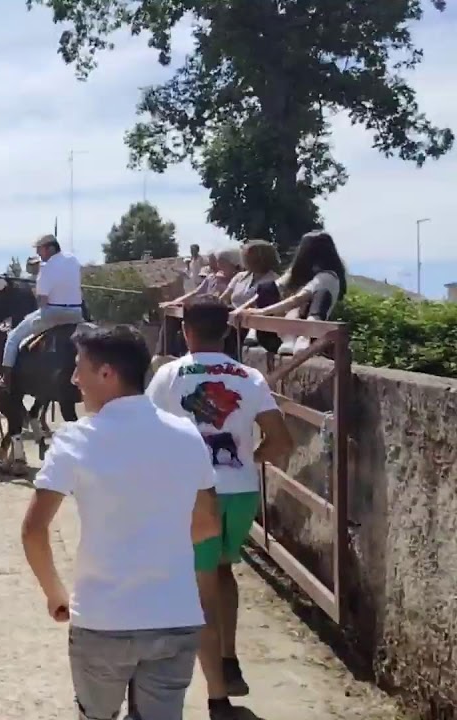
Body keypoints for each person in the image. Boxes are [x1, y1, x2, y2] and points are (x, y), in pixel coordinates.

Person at [22, 324, 221, 720]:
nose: (74, 378)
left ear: (107, 374)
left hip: (103, 619)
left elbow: (34, 530)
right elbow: (208, 524)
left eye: (80, 368)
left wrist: (56, 593)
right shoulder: (186, 434)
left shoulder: (75, 439)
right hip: (175, 616)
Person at [147, 296, 293, 719]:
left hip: (194, 496)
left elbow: (149, 434)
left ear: (186, 331)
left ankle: (218, 697)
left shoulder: (168, 376)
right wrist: (250, 459)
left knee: (201, 589)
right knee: (225, 571)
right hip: (241, 491)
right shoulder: (249, 376)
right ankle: (229, 658)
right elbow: (282, 441)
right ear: (228, 332)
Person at [0, 234, 84, 389]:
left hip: (53, 314)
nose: (38, 254)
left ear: (50, 248)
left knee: (13, 337)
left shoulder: (46, 269)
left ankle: (5, 380)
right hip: (77, 313)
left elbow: (42, 302)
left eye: (39, 250)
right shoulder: (73, 260)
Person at [238, 230, 347, 354]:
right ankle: (264, 334)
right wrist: (245, 309)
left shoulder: (328, 277)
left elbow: (298, 299)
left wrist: (262, 312)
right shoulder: (297, 273)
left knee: (321, 295)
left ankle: (304, 338)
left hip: (310, 334)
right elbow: (273, 288)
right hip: (282, 336)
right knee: (266, 287)